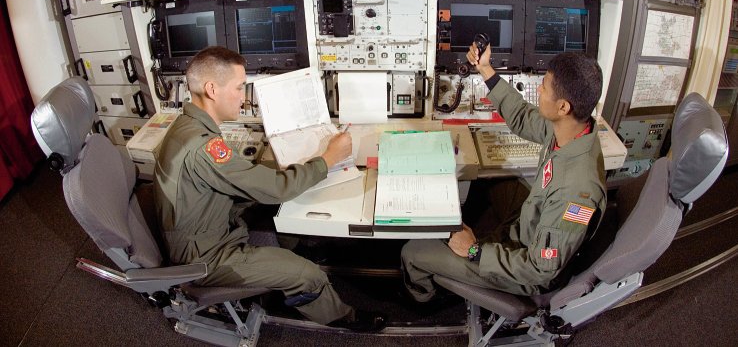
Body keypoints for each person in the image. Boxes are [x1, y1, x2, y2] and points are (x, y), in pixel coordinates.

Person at [154, 46, 385, 331]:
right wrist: (328, 159)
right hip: (206, 256)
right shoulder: (204, 147)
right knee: (306, 274)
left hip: (210, 224)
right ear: (212, 89)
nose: (243, 97)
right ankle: (343, 317)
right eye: (239, 88)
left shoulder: (187, 125)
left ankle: (299, 249)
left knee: (274, 201)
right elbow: (276, 188)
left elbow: (246, 181)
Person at [401, 44, 607, 298]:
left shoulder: (576, 191)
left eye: (544, 86)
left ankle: (429, 302)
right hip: (528, 223)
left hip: (526, 272)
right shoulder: (575, 129)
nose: (539, 89)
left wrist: (475, 251)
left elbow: (540, 270)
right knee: (488, 181)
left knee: (412, 252)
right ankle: (474, 242)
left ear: (563, 107)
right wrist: (485, 69)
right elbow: (521, 116)